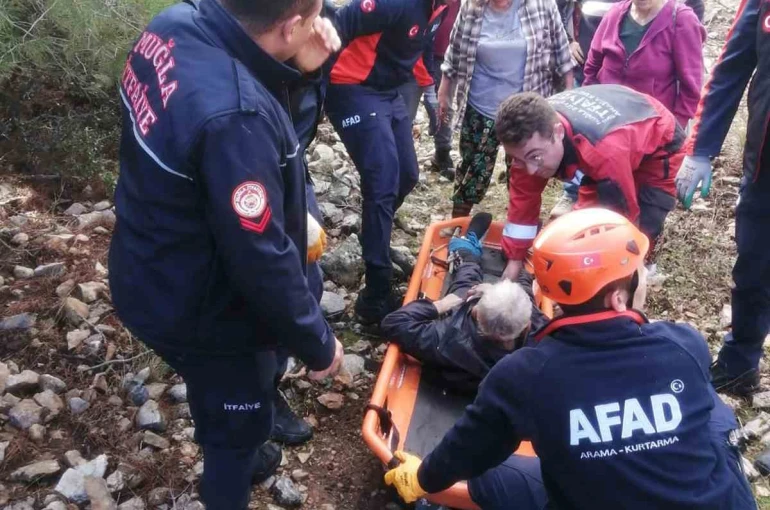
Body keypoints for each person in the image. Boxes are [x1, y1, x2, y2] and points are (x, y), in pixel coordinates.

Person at [108, 0, 346, 507]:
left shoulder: (174, 23)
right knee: (232, 438)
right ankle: (235, 458)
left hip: (147, 260)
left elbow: (247, 107)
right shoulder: (234, 118)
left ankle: (239, 424)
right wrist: (319, 343)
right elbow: (261, 260)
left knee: (225, 391)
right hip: (203, 308)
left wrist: (298, 71)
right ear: (290, 27)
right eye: (314, 18)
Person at [384, 208, 757, 510]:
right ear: (617, 298)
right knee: (716, 415)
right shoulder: (684, 344)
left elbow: (467, 449)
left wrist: (422, 479)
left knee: (488, 473)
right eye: (638, 272)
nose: (643, 277)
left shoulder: (524, 375)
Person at [325, 0, 450, 324]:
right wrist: (313, 84)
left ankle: (373, 235)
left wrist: (430, 91)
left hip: (388, 89)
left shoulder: (440, 6)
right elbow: (340, 23)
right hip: (351, 86)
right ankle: (375, 294)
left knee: (407, 174)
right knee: (382, 181)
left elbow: (419, 45)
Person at [493, 85, 685, 282]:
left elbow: (623, 219)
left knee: (640, 226)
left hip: (659, 144)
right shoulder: (527, 146)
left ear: (558, 132)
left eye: (536, 157)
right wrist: (514, 261)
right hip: (614, 139)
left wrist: (621, 273)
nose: (530, 170)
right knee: (583, 226)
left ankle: (643, 272)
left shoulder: (604, 152)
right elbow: (522, 206)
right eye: (518, 159)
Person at [674, 0, 769, 397]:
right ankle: (739, 364)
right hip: (764, 166)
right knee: (754, 265)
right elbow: (731, 68)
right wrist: (701, 149)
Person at [380, 213, 549, 392]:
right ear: (527, 325)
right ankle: (517, 257)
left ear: (475, 312)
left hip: (460, 351)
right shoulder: (542, 344)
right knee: (522, 286)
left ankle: (467, 248)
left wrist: (442, 305)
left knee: (466, 280)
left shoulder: (445, 338)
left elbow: (393, 322)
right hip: (502, 361)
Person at [437, 0, 575, 219]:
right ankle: (458, 224)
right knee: (472, 170)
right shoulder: (472, 7)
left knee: (526, 174)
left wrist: (567, 95)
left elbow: (563, 55)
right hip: (482, 107)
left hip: (527, 111)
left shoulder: (542, 5)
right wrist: (444, 91)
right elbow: (455, 50)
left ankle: (521, 226)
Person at [582, 0, 706, 129]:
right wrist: (589, 99)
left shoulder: (682, 20)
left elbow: (691, 85)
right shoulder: (615, 13)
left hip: (650, 123)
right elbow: (593, 62)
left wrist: (675, 127)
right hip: (605, 115)